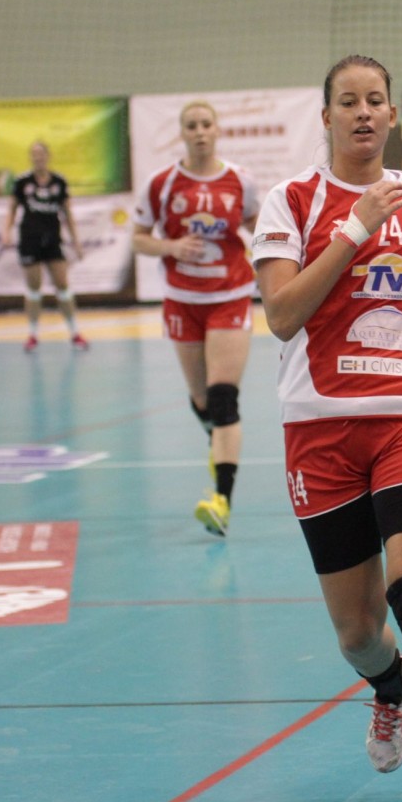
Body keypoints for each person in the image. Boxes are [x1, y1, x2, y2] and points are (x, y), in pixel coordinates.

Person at [252, 55, 402, 802]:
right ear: (326, 117)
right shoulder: (292, 199)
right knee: (357, 632)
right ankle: (387, 688)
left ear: (391, 114)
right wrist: (354, 229)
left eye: (374, 100)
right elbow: (282, 314)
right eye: (347, 101)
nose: (362, 112)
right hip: (320, 424)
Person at [132, 100, 259, 538]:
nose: (200, 131)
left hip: (230, 296)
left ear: (217, 129)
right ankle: (217, 440)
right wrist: (170, 247)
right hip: (182, 300)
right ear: (182, 133)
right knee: (202, 401)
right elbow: (138, 239)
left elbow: (258, 227)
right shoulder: (162, 184)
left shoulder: (240, 180)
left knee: (223, 399)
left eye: (206, 124)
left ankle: (221, 500)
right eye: (192, 126)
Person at [4, 141, 88, 352]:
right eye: (34, 154)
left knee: (62, 285)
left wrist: (76, 242)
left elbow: (68, 214)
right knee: (34, 288)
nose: (38, 157)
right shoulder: (23, 181)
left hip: (52, 240)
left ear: (48, 156)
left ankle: (75, 333)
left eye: (41, 153)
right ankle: (33, 334)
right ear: (30, 157)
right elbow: (12, 209)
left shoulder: (59, 181)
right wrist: (7, 231)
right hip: (29, 240)